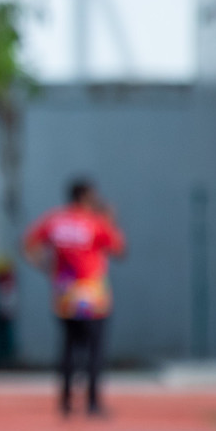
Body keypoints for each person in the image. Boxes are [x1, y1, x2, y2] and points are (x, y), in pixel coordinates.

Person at [23, 178, 127, 418]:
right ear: (85, 198)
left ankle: (66, 401)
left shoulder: (56, 220)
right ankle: (92, 403)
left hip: (65, 291)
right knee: (94, 349)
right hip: (92, 292)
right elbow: (119, 249)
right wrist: (110, 220)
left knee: (69, 347)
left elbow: (29, 244)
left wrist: (45, 267)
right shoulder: (95, 222)